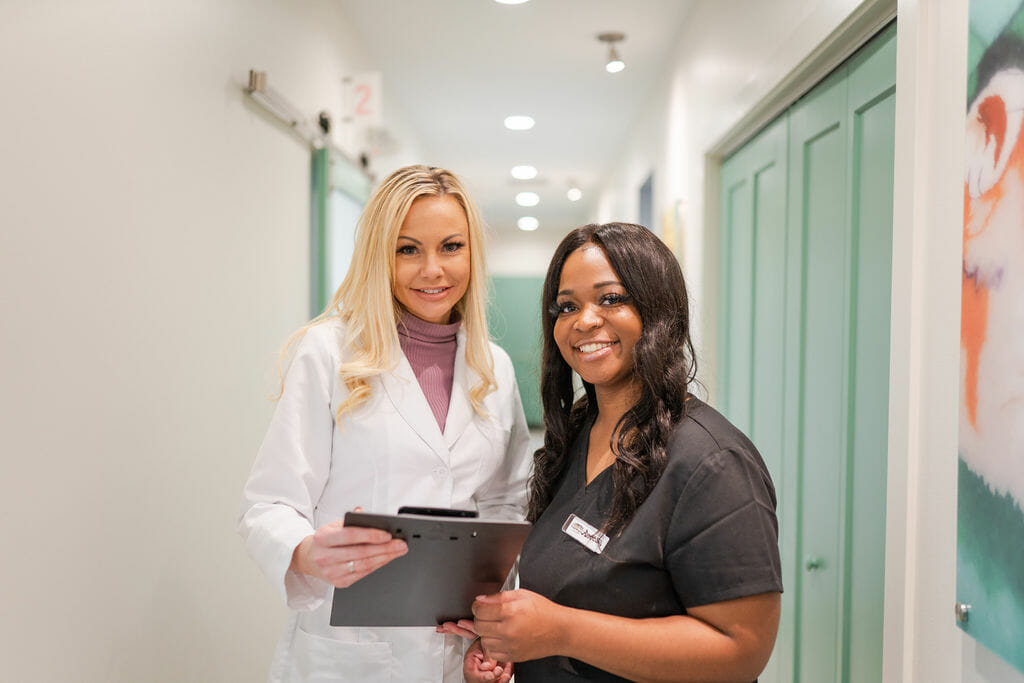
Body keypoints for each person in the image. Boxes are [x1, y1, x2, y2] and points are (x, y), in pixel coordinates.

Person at [446, 222, 782, 682]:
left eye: (611, 298)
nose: (584, 320)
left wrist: (562, 632)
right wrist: (511, 647)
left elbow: (741, 651)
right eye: (567, 306)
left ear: (658, 308)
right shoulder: (575, 437)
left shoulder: (712, 462)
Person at [238, 165, 531, 683]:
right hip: (348, 650)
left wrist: (489, 624)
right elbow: (269, 503)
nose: (433, 270)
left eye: (451, 247)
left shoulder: (495, 367)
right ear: (381, 255)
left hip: (452, 648)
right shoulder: (329, 352)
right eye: (408, 249)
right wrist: (307, 554)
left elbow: (505, 504)